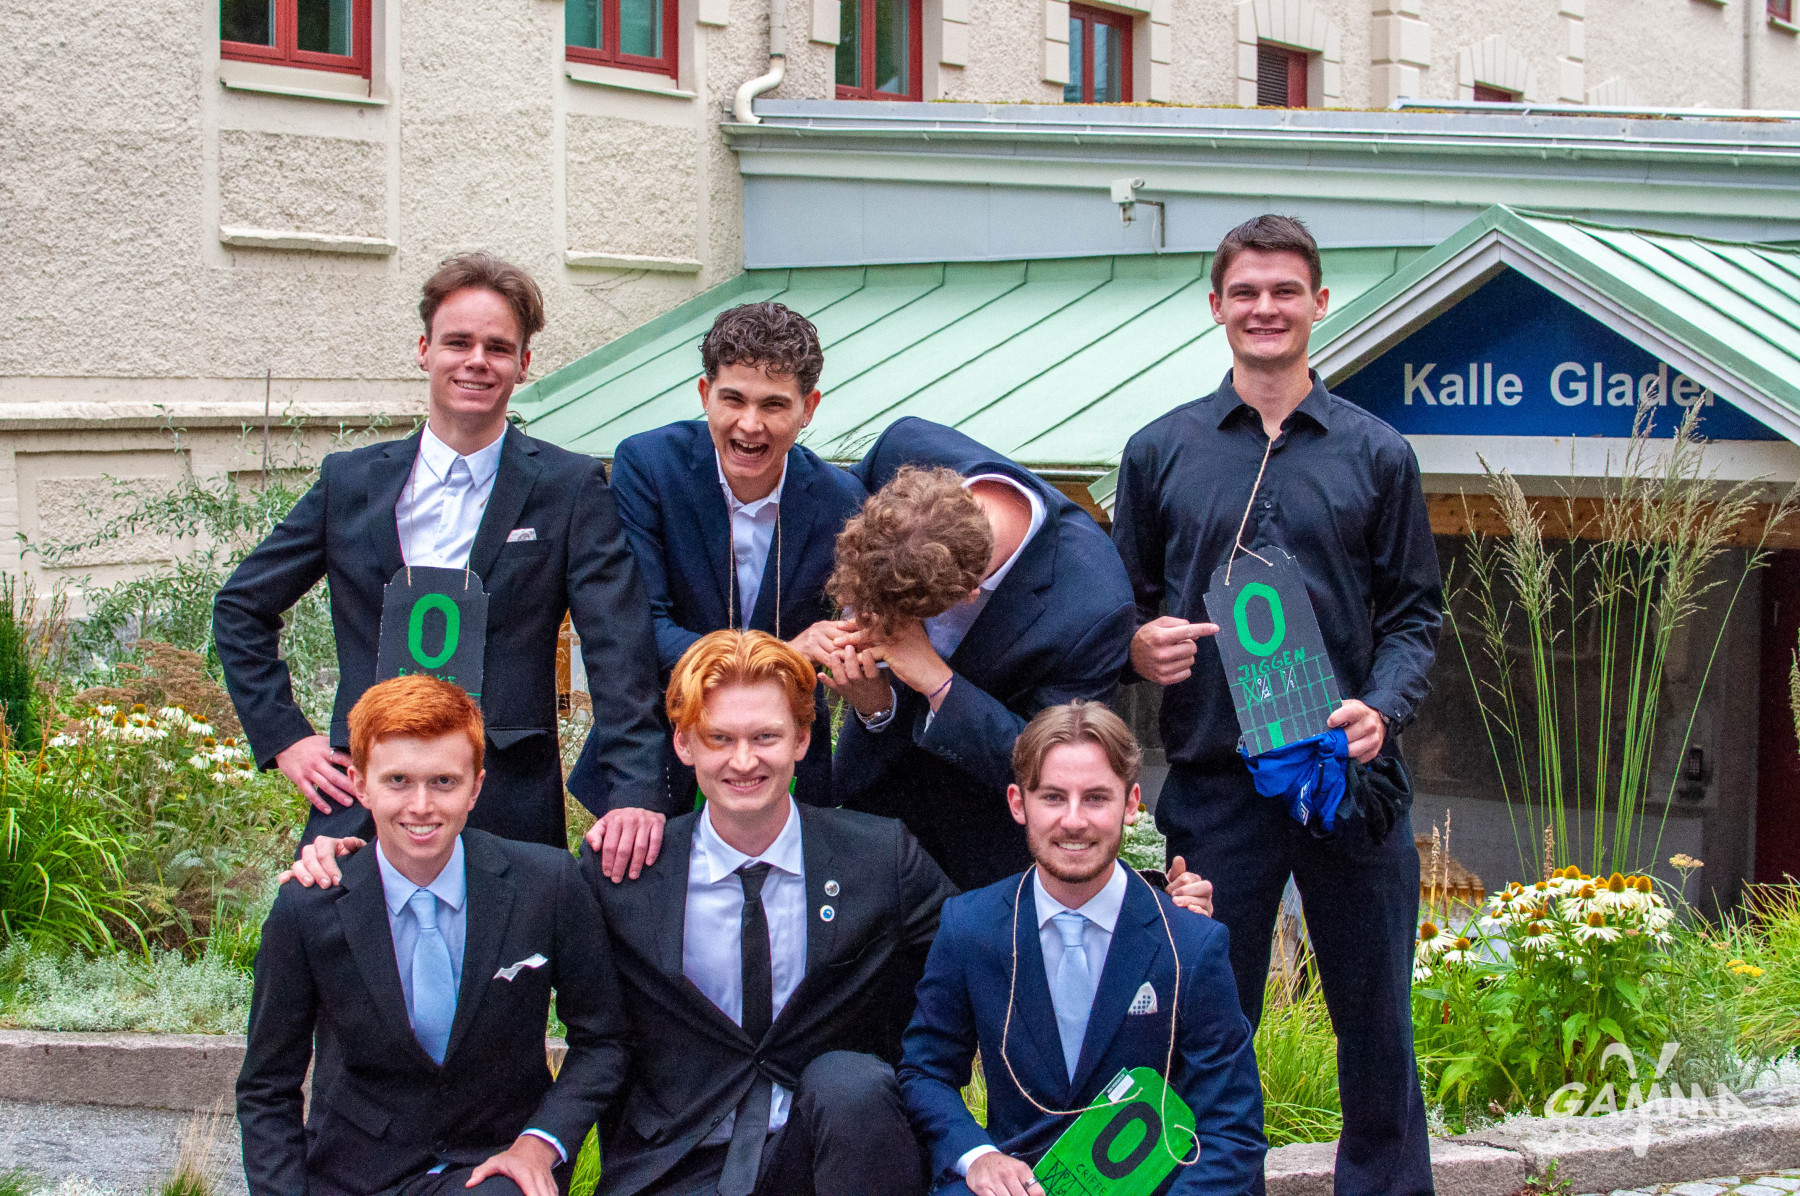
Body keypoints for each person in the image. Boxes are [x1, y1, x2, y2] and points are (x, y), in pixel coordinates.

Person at [1110, 214, 1443, 1195]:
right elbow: (1116, 605)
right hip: (1214, 784)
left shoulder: (1379, 453)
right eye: (1246, 292)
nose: (1266, 308)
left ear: (1320, 303)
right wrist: (1136, 643)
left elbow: (1415, 615)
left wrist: (1382, 708)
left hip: (1350, 777)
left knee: (1377, 1026)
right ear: (1216, 306)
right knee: (1203, 1023)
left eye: (1285, 290)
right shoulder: (1158, 450)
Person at [213, 252, 667, 856]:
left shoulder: (569, 488)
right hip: (364, 795)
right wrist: (286, 738)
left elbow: (618, 650)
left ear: (523, 364)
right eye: (458, 342)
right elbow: (241, 607)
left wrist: (634, 791)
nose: (477, 360)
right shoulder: (350, 482)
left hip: (510, 800)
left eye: (498, 348)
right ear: (424, 350)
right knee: (322, 915)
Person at [584, 628, 955, 1196]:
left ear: (802, 738)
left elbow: (980, 949)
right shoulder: (627, 872)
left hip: (821, 1155)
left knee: (852, 1081)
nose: (743, 760)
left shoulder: (880, 858)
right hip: (675, 1163)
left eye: (766, 736)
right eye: (719, 738)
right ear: (683, 744)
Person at [235, 674, 632, 1196]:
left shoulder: (547, 884)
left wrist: (539, 1144)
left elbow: (603, 1039)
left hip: (493, 1169)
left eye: (443, 781)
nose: (421, 805)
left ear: (476, 787)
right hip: (353, 1174)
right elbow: (267, 1087)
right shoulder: (309, 908)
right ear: (360, 784)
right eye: (398, 780)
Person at [897, 701, 1266, 1196]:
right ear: (1018, 802)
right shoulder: (970, 927)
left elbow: (1232, 1131)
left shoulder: (1192, 944)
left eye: (1095, 798)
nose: (1073, 821)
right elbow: (925, 1070)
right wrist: (977, 1155)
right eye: (1053, 797)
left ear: (1131, 804)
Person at [567, 302, 865, 855]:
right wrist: (785, 654)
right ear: (705, 394)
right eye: (733, 399)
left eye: (773, 404)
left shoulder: (841, 498)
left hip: (783, 770)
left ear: (808, 408)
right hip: (658, 760)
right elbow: (638, 627)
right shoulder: (648, 465)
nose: (749, 424)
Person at [822, 418, 1137, 891]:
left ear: (969, 593)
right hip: (868, 809)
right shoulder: (902, 445)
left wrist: (938, 681)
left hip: (980, 850)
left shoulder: (1093, 604)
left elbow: (1051, 759)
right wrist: (875, 705)